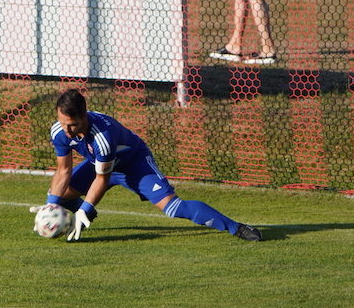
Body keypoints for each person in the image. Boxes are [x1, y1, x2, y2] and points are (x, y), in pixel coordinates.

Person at [36, 89, 262, 242]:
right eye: (63, 124)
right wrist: (50, 207)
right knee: (60, 193)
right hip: (100, 165)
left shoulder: (102, 136)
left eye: (73, 125)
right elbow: (63, 170)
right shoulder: (60, 131)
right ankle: (76, 214)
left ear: (84, 115)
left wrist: (84, 209)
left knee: (173, 208)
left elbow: (101, 180)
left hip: (133, 164)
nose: (68, 131)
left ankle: (236, 227)